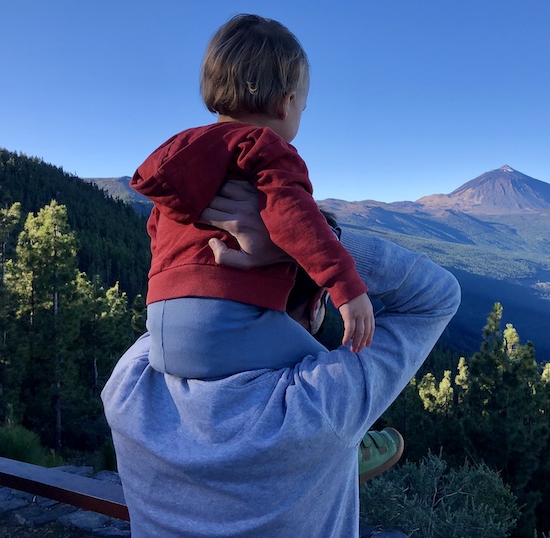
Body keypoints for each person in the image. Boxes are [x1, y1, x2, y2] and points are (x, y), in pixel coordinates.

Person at [101, 181, 461, 537]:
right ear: (318, 300)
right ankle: (331, 461)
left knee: (323, 442)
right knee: (328, 437)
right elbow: (437, 296)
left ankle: (322, 463)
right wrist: (312, 241)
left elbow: (179, 317)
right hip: (310, 437)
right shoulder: (317, 405)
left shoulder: (130, 384)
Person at [132, 13, 374, 385]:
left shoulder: (181, 156)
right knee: (343, 382)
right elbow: (296, 219)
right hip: (228, 317)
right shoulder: (265, 148)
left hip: (161, 329)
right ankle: (355, 445)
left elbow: (157, 228)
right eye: (302, 109)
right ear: (287, 103)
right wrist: (347, 287)